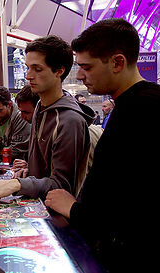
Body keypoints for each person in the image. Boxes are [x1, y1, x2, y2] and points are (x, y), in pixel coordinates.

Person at [45, 18, 160, 272]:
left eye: (87, 67)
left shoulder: (143, 111)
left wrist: (73, 209)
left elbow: (131, 206)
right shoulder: (133, 105)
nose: (80, 75)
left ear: (118, 62)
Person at [0, 35, 94, 202]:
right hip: (37, 207)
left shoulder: (70, 120)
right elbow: (46, 169)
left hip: (56, 219)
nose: (28, 75)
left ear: (59, 71)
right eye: (28, 67)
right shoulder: (40, 107)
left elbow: (62, 187)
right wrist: (28, 170)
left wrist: (18, 184)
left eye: (37, 69)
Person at [11, 84, 39, 177]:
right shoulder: (36, 126)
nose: (22, 117)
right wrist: (28, 166)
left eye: (26, 112)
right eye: (20, 111)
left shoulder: (59, 124)